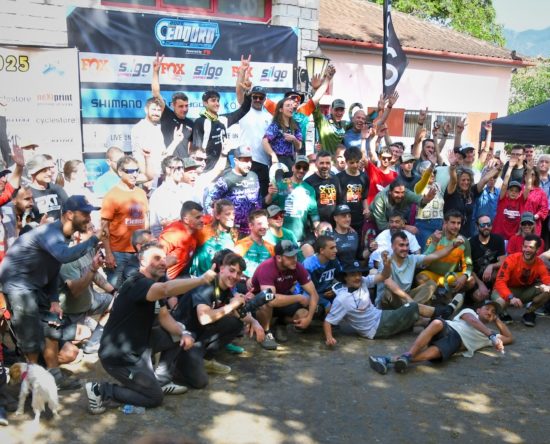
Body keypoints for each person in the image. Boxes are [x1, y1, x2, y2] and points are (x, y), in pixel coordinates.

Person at [85, 242, 217, 414]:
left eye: (163, 258)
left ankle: (162, 380)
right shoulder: (137, 283)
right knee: (154, 398)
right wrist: (201, 280)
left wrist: (183, 333)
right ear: (142, 261)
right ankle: (101, 390)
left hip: (141, 344)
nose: (163, 262)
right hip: (120, 356)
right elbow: (166, 289)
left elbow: (164, 316)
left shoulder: (153, 284)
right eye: (156, 258)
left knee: (179, 331)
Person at [0, 195, 103, 390]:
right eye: (85, 214)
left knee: (52, 326)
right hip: (18, 285)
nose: (89, 219)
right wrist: (95, 239)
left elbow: (54, 268)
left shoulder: (62, 235)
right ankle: (33, 383)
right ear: (69, 215)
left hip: (35, 285)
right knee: (30, 336)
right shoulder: (50, 233)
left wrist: (54, 300)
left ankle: (55, 377)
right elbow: (64, 256)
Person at [323, 254, 464, 346]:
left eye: (359, 273)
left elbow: (383, 276)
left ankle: (444, 326)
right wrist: (329, 338)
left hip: (380, 316)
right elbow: (328, 321)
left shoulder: (363, 281)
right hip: (375, 328)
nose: (358, 277)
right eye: (353, 275)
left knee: (419, 319)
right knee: (413, 307)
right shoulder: (342, 299)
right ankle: (445, 311)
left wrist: (387, 265)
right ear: (345, 277)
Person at [170, 252, 264, 388]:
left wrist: (254, 322)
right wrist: (232, 305)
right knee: (200, 382)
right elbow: (204, 318)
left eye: (238, 273)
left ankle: (204, 358)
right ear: (222, 268)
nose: (235, 276)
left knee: (236, 323)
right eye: (232, 270)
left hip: (199, 334)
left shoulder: (226, 288)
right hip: (183, 335)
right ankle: (177, 363)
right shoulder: (206, 285)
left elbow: (238, 313)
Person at [368, 300, 513, 375]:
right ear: (479, 310)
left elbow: (509, 337)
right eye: (487, 308)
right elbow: (472, 321)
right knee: (437, 322)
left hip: (456, 341)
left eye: (493, 312)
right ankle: (408, 355)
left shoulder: (489, 336)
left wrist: (496, 320)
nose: (489, 312)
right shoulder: (470, 312)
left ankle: (389, 359)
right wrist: (491, 335)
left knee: (436, 351)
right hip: (447, 328)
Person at [59, 222, 116, 354]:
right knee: (82, 336)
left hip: (89, 301)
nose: (95, 231)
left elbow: (95, 275)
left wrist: (113, 291)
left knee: (115, 301)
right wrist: (93, 269)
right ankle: (76, 330)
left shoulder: (89, 249)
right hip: (73, 310)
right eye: (90, 229)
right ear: (78, 235)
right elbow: (76, 292)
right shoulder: (68, 258)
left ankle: (94, 342)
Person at [252, 240, 320, 350]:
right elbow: (270, 299)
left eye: (295, 256)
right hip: (258, 305)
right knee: (265, 301)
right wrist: (298, 297)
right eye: (290, 257)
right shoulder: (266, 267)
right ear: (279, 258)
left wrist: (309, 318)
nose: (294, 259)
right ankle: (266, 332)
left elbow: (314, 294)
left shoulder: (297, 267)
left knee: (304, 314)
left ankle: (280, 323)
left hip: (282, 300)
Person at [377, 231, 466, 309]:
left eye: (407, 245)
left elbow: (436, 256)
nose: (405, 248)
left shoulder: (412, 259)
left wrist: (453, 245)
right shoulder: (386, 261)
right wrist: (409, 299)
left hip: (406, 300)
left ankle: (411, 311)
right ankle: (417, 311)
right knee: (387, 293)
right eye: (401, 245)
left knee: (431, 285)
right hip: (391, 301)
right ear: (392, 246)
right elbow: (389, 283)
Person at [101, 156, 149, 288]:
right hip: (118, 252)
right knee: (115, 290)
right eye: (130, 171)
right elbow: (104, 227)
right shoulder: (112, 195)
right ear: (120, 172)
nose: (134, 174)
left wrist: (147, 245)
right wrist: (108, 254)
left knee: (137, 289)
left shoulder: (141, 193)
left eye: (137, 170)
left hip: (139, 252)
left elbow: (146, 219)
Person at [491, 234, 550, 327]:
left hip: (525, 291)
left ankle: (529, 312)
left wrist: (548, 286)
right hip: (507, 290)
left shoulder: (539, 263)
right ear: (522, 247)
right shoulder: (511, 259)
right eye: (525, 246)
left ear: (537, 250)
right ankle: (502, 312)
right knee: (500, 302)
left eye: (531, 247)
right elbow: (500, 282)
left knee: (548, 290)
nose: (527, 250)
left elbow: (547, 278)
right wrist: (510, 297)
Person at [205, 145, 261, 237]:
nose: (249, 164)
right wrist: (217, 221)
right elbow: (209, 201)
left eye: (250, 160)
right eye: (245, 161)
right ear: (236, 160)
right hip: (231, 230)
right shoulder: (226, 179)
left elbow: (258, 200)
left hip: (251, 229)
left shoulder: (254, 176)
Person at [417, 210, 475, 295]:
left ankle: (451, 296)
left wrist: (465, 276)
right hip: (433, 276)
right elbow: (423, 262)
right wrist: (434, 243)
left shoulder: (464, 241)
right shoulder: (434, 237)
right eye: (453, 223)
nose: (456, 226)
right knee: (420, 278)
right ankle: (437, 296)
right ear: (445, 223)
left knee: (471, 280)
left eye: (458, 223)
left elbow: (468, 265)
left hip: (450, 277)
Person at [192, 90, 251, 172]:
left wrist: (248, 94)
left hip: (224, 167)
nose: (217, 103)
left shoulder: (223, 119)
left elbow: (243, 110)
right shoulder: (200, 122)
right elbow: (196, 149)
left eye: (218, 101)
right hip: (208, 169)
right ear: (205, 103)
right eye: (213, 100)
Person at [265, 156, 319, 242]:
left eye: (305, 168)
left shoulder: (310, 189)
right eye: (298, 167)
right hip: (281, 236)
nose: (301, 170)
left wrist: (319, 229)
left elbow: (314, 214)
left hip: (300, 238)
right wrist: (270, 194)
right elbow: (267, 202)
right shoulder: (281, 184)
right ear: (293, 167)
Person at [445, 154, 500, 238]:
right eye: (463, 180)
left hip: (466, 234)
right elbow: (453, 180)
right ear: (458, 181)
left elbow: (484, 180)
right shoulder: (452, 191)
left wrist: (498, 168)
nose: (466, 182)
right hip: (450, 233)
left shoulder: (472, 191)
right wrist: (452, 167)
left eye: (468, 180)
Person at [151, 53, 193, 158]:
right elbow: (156, 94)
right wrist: (156, 72)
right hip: (168, 162)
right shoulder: (167, 115)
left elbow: (190, 148)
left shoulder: (191, 123)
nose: (185, 109)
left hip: (184, 164)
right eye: (181, 106)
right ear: (173, 105)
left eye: (186, 106)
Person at [131, 97, 183, 177]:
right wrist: (147, 178)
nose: (156, 113)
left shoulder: (158, 128)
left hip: (161, 175)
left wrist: (175, 141)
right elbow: (139, 158)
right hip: (149, 177)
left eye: (159, 110)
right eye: (153, 109)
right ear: (146, 110)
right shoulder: (139, 128)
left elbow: (164, 156)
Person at [239, 85, 272, 198]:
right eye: (255, 97)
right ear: (251, 97)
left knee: (262, 195)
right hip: (246, 160)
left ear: (265, 99)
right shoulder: (243, 111)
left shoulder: (269, 117)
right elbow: (239, 92)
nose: (258, 100)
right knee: (244, 195)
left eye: (261, 97)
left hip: (264, 162)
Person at [190, 199, 237, 277]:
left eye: (233, 214)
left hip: (222, 280)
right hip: (202, 280)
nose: (232, 217)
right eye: (228, 214)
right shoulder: (203, 231)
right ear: (217, 216)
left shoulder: (234, 234)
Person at [159, 201, 204, 280]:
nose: (202, 220)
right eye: (198, 217)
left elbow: (210, 218)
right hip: (167, 280)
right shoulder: (172, 235)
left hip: (183, 272)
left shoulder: (195, 228)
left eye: (202, 216)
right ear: (186, 220)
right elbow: (155, 261)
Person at [370, 179, 434, 233]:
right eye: (397, 192)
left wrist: (426, 200)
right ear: (390, 192)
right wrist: (404, 227)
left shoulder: (406, 193)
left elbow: (418, 199)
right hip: (374, 222)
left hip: (395, 223)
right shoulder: (380, 198)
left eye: (402, 192)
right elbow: (382, 226)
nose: (400, 196)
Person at [469, 215, 506, 303]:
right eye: (483, 225)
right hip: (477, 278)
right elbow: (469, 268)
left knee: (500, 271)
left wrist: (491, 266)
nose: (486, 227)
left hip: (492, 276)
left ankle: (495, 293)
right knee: (478, 297)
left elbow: (503, 261)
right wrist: (480, 284)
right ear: (477, 226)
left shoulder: (498, 239)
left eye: (488, 224)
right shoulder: (471, 242)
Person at [149, 156, 186, 237]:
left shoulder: (188, 190)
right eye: (178, 168)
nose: (182, 172)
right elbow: (155, 227)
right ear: (168, 169)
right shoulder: (158, 195)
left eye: (183, 168)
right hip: (170, 239)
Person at [303, 235, 340, 315]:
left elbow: (341, 278)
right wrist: (325, 303)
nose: (336, 250)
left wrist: (335, 290)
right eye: (332, 248)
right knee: (322, 308)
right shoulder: (309, 264)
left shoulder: (334, 260)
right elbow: (306, 291)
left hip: (325, 292)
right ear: (322, 250)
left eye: (335, 247)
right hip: (308, 294)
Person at [262, 97, 302, 172]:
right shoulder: (276, 125)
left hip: (291, 161)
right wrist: (273, 155)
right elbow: (264, 141)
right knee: (279, 180)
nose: (291, 107)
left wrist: (294, 139)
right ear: (281, 110)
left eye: (291, 105)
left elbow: (299, 146)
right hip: (278, 160)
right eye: (288, 105)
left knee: (290, 180)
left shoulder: (296, 125)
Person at [336, 147, 369, 234]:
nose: (355, 165)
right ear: (346, 161)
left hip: (359, 218)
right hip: (343, 219)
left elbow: (364, 197)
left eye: (357, 162)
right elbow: (337, 201)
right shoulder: (339, 178)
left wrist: (366, 209)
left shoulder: (364, 177)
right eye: (352, 162)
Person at [27, 154, 69, 222]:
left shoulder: (57, 189)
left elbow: (69, 210)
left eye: (49, 169)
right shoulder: (27, 193)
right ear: (33, 172)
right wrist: (39, 226)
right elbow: (24, 221)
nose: (49, 173)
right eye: (44, 171)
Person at [234, 209, 275, 279]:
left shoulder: (271, 247)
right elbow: (234, 267)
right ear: (251, 226)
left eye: (265, 223)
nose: (264, 227)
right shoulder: (241, 245)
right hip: (245, 282)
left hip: (264, 282)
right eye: (260, 224)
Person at [305, 150, 341, 223]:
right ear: (316, 164)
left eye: (327, 163)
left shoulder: (335, 179)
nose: (325, 166)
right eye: (321, 163)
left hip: (334, 224)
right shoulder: (308, 182)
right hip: (316, 225)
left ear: (331, 164)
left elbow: (339, 201)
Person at [522, 167, 548, 236]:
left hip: (533, 225)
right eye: (526, 174)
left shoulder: (541, 192)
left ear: (536, 177)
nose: (528, 176)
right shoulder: (518, 189)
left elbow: (544, 209)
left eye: (532, 174)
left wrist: (534, 217)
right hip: (518, 223)